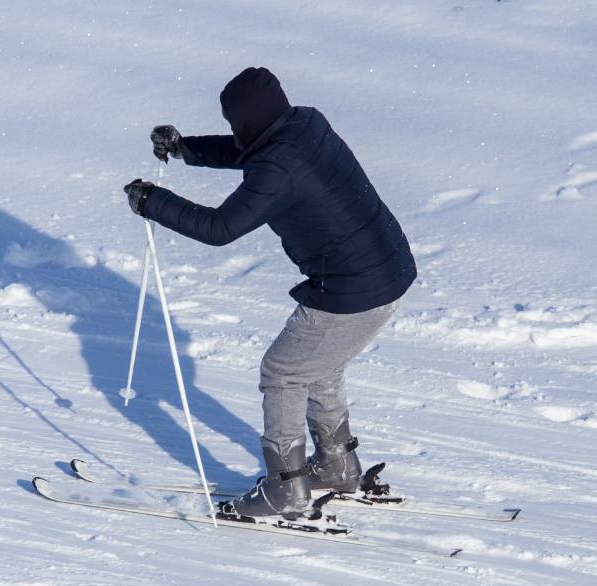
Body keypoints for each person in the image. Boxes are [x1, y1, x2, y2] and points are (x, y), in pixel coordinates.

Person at [122, 67, 417, 520]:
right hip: (388, 269)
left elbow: (220, 228)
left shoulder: (277, 168)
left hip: (351, 288)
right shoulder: (305, 124)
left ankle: (285, 491)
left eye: (236, 124)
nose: (237, 133)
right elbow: (250, 151)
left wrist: (153, 202)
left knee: (282, 372)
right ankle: (337, 467)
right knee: (319, 364)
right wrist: (186, 149)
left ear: (245, 121)